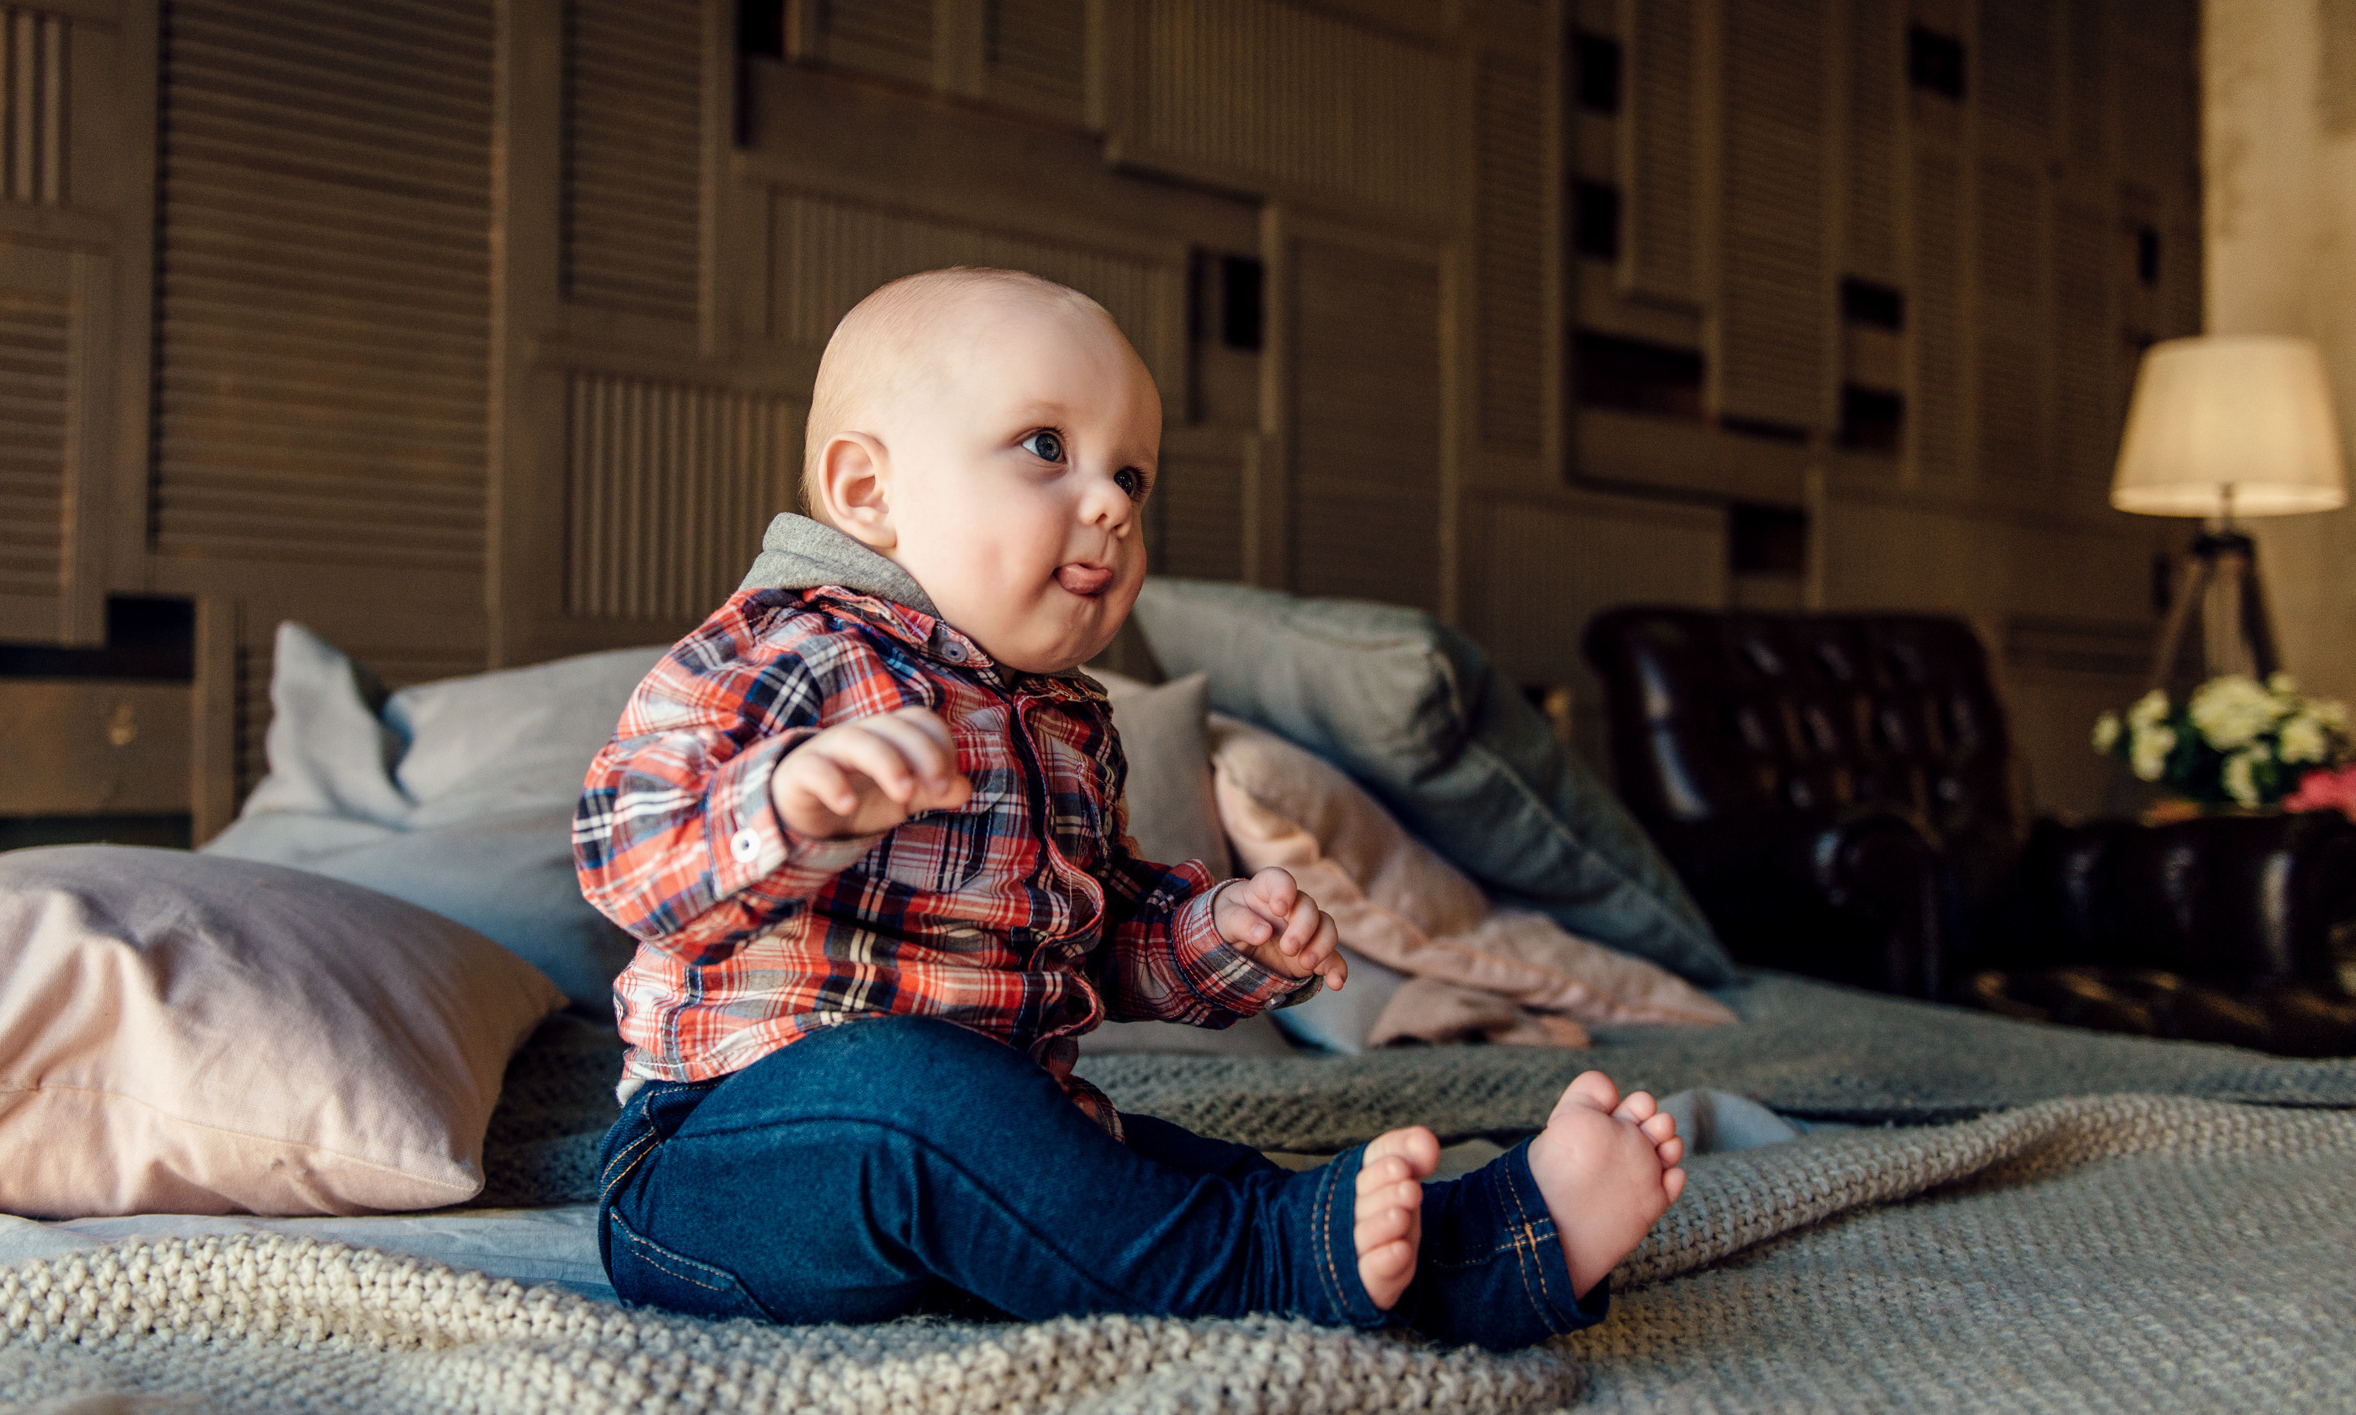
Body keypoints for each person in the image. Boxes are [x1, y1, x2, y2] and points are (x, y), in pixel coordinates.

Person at [574, 267, 1685, 1350]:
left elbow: (1096, 941)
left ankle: (1501, 1245)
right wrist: (787, 805)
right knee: (919, 1089)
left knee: (1144, 1173)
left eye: (1134, 477)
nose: (1108, 501)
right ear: (870, 492)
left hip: (985, 1153)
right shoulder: (788, 652)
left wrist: (1221, 937)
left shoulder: (1066, 725)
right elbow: (624, 850)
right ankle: (1273, 1266)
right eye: (1047, 448)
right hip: (717, 1168)